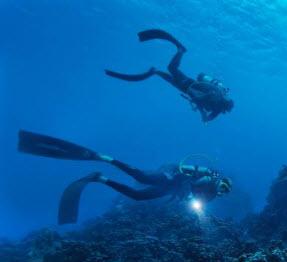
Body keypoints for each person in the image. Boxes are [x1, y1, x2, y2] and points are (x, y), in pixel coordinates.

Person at [18, 130, 232, 224]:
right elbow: (192, 186)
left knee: (137, 196)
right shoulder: (209, 179)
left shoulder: (212, 196)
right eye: (223, 186)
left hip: (170, 190)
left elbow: (194, 201)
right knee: (141, 176)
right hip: (171, 178)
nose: (221, 190)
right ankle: (108, 159)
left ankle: (101, 178)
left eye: (225, 191)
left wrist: (193, 204)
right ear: (221, 181)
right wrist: (191, 195)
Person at [105, 29, 234, 123]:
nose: (223, 110)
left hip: (186, 88)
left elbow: (205, 116)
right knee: (171, 69)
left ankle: (155, 71)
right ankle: (180, 51)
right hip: (188, 85)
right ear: (224, 106)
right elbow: (204, 105)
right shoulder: (216, 100)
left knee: (169, 77)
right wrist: (201, 109)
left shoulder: (217, 107)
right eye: (225, 109)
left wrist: (201, 112)